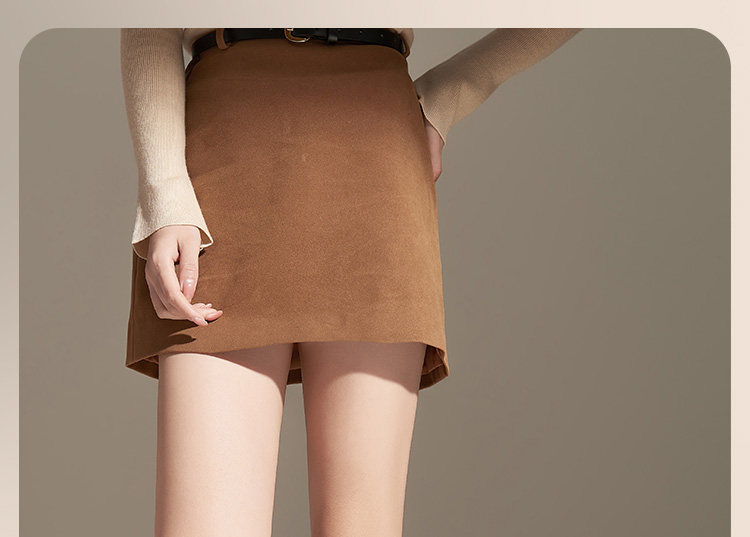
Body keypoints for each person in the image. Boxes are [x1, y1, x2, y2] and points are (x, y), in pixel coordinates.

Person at [120, 27, 582, 536]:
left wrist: (450, 93)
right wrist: (164, 192)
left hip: (375, 153)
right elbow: (149, 21)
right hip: (223, 154)